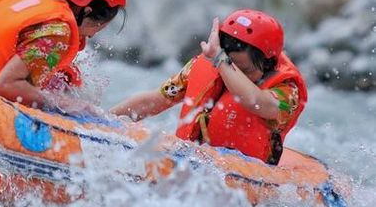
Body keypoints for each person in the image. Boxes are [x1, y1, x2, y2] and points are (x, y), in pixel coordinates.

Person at [111, 10, 307, 164]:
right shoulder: (207, 64)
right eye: (230, 65)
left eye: (243, 70)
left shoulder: (288, 90)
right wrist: (104, 120)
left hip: (246, 173)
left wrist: (222, 62)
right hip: (195, 161)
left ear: (269, 63)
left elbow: (255, 102)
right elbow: (154, 101)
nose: (232, 74)